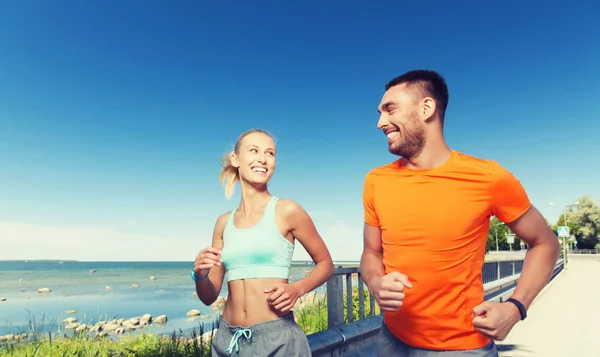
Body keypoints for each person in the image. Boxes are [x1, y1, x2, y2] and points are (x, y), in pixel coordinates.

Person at [360, 70, 560, 356]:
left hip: (464, 348)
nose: (380, 122)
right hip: (391, 342)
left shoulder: (490, 177)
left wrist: (516, 308)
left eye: (390, 109)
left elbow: (546, 243)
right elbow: (371, 253)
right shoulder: (375, 181)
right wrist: (376, 282)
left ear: (426, 108)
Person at [192, 128, 334, 357]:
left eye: (270, 153)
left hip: (277, 339)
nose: (263, 159)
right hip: (227, 341)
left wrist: (297, 289)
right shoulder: (223, 223)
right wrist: (199, 275)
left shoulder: (287, 210)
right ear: (236, 160)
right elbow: (209, 296)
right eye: (254, 151)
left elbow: (326, 263)